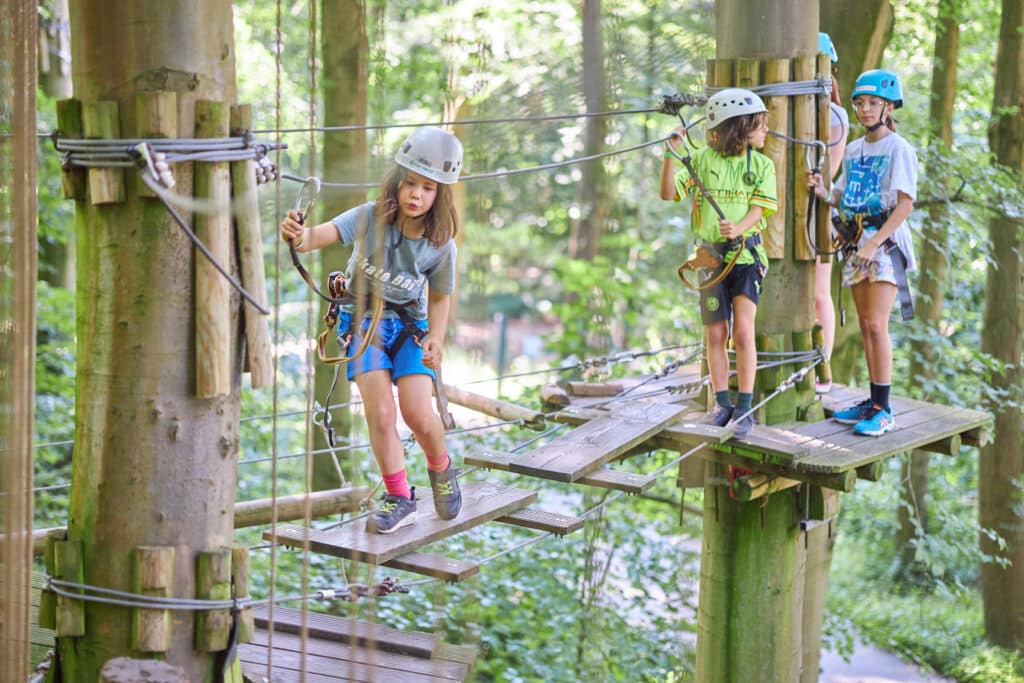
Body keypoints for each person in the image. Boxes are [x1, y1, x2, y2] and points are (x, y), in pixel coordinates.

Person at [280, 126, 464, 533]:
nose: (416, 195)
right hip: (362, 322)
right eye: (410, 183)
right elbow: (316, 237)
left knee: (418, 413)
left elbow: (439, 296)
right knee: (380, 414)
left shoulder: (440, 244)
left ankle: (441, 468)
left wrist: (436, 338)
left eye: (428, 188)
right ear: (397, 181)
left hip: (411, 328)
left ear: (440, 195)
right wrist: (296, 234)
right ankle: (399, 496)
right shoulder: (369, 216)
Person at [660, 88, 778, 438]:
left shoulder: (761, 164)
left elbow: (760, 209)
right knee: (715, 332)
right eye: (760, 124)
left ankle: (745, 407)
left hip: (746, 258)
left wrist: (738, 228)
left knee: (742, 332)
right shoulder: (701, 161)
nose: (766, 130)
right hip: (711, 259)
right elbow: (668, 193)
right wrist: (670, 155)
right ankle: (722, 403)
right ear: (740, 126)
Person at [809, 69, 917, 437]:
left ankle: (884, 409)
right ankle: (873, 401)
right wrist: (823, 191)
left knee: (876, 325)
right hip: (857, 243)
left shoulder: (899, 149)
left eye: (873, 103)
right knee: (865, 323)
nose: (865, 109)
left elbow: (905, 205)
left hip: (884, 243)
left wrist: (873, 243)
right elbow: (842, 195)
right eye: (860, 103)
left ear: (888, 107)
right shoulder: (855, 149)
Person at [814, 32, 849, 394]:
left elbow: (828, 167)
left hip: (817, 210)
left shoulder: (835, 114)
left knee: (819, 293)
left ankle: (822, 368)